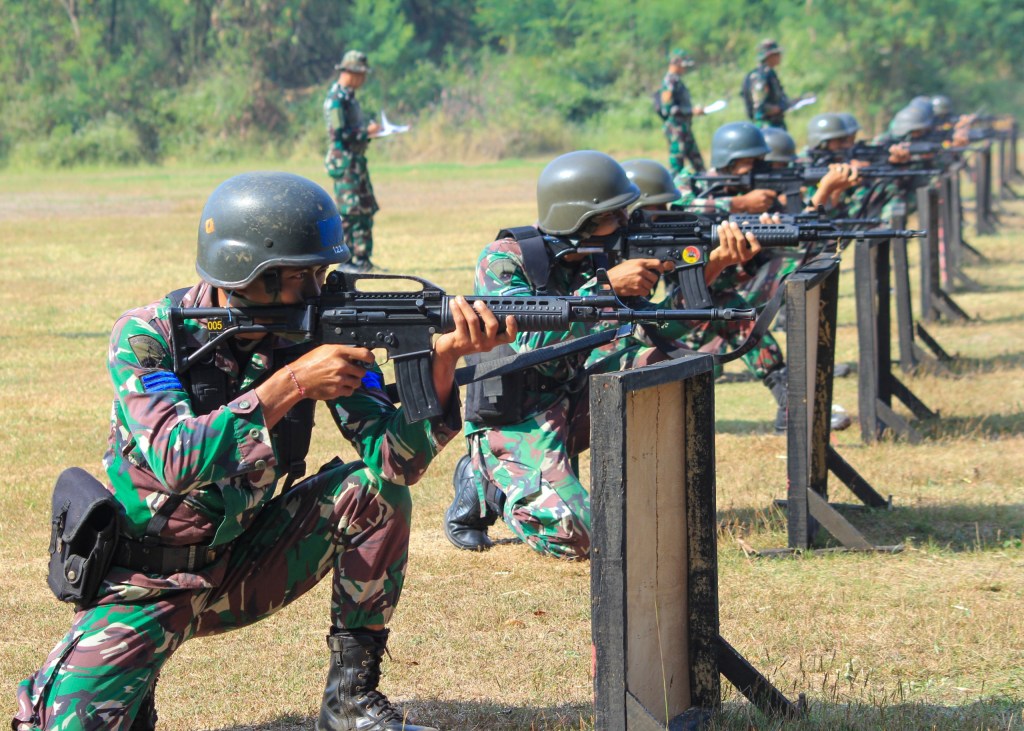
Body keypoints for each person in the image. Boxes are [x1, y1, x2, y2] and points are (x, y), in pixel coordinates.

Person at [12, 172, 515, 731]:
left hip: (242, 562)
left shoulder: (319, 330)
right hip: (145, 583)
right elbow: (176, 459)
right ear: (246, 272)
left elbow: (397, 463)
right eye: (302, 276)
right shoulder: (149, 336)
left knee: (373, 494)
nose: (318, 290)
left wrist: (442, 363)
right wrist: (292, 384)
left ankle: (350, 704)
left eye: (321, 272)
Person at [443, 151, 762, 558]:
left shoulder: (602, 255)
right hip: (515, 414)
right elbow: (530, 344)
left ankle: (651, 497)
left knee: (668, 365)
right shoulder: (504, 260)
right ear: (581, 219)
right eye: (616, 215)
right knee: (582, 537)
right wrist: (604, 287)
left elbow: (654, 331)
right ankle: (487, 480)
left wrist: (713, 265)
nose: (628, 221)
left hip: (570, 393)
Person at [324, 50, 381, 273]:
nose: (364, 79)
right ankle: (347, 261)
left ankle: (363, 259)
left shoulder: (349, 97)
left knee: (364, 208)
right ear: (350, 72)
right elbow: (339, 134)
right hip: (345, 162)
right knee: (349, 212)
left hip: (356, 161)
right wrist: (367, 132)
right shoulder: (336, 100)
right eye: (361, 74)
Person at [658, 49, 707, 175]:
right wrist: (691, 111)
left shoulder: (677, 80)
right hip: (676, 128)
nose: (684, 69)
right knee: (677, 164)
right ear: (676, 64)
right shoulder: (670, 81)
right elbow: (668, 109)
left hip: (685, 127)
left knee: (698, 163)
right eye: (683, 65)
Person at [742, 39, 789, 129]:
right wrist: (780, 108)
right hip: (767, 127)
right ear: (769, 56)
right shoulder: (762, 76)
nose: (779, 56)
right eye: (776, 54)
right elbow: (760, 107)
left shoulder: (763, 73)